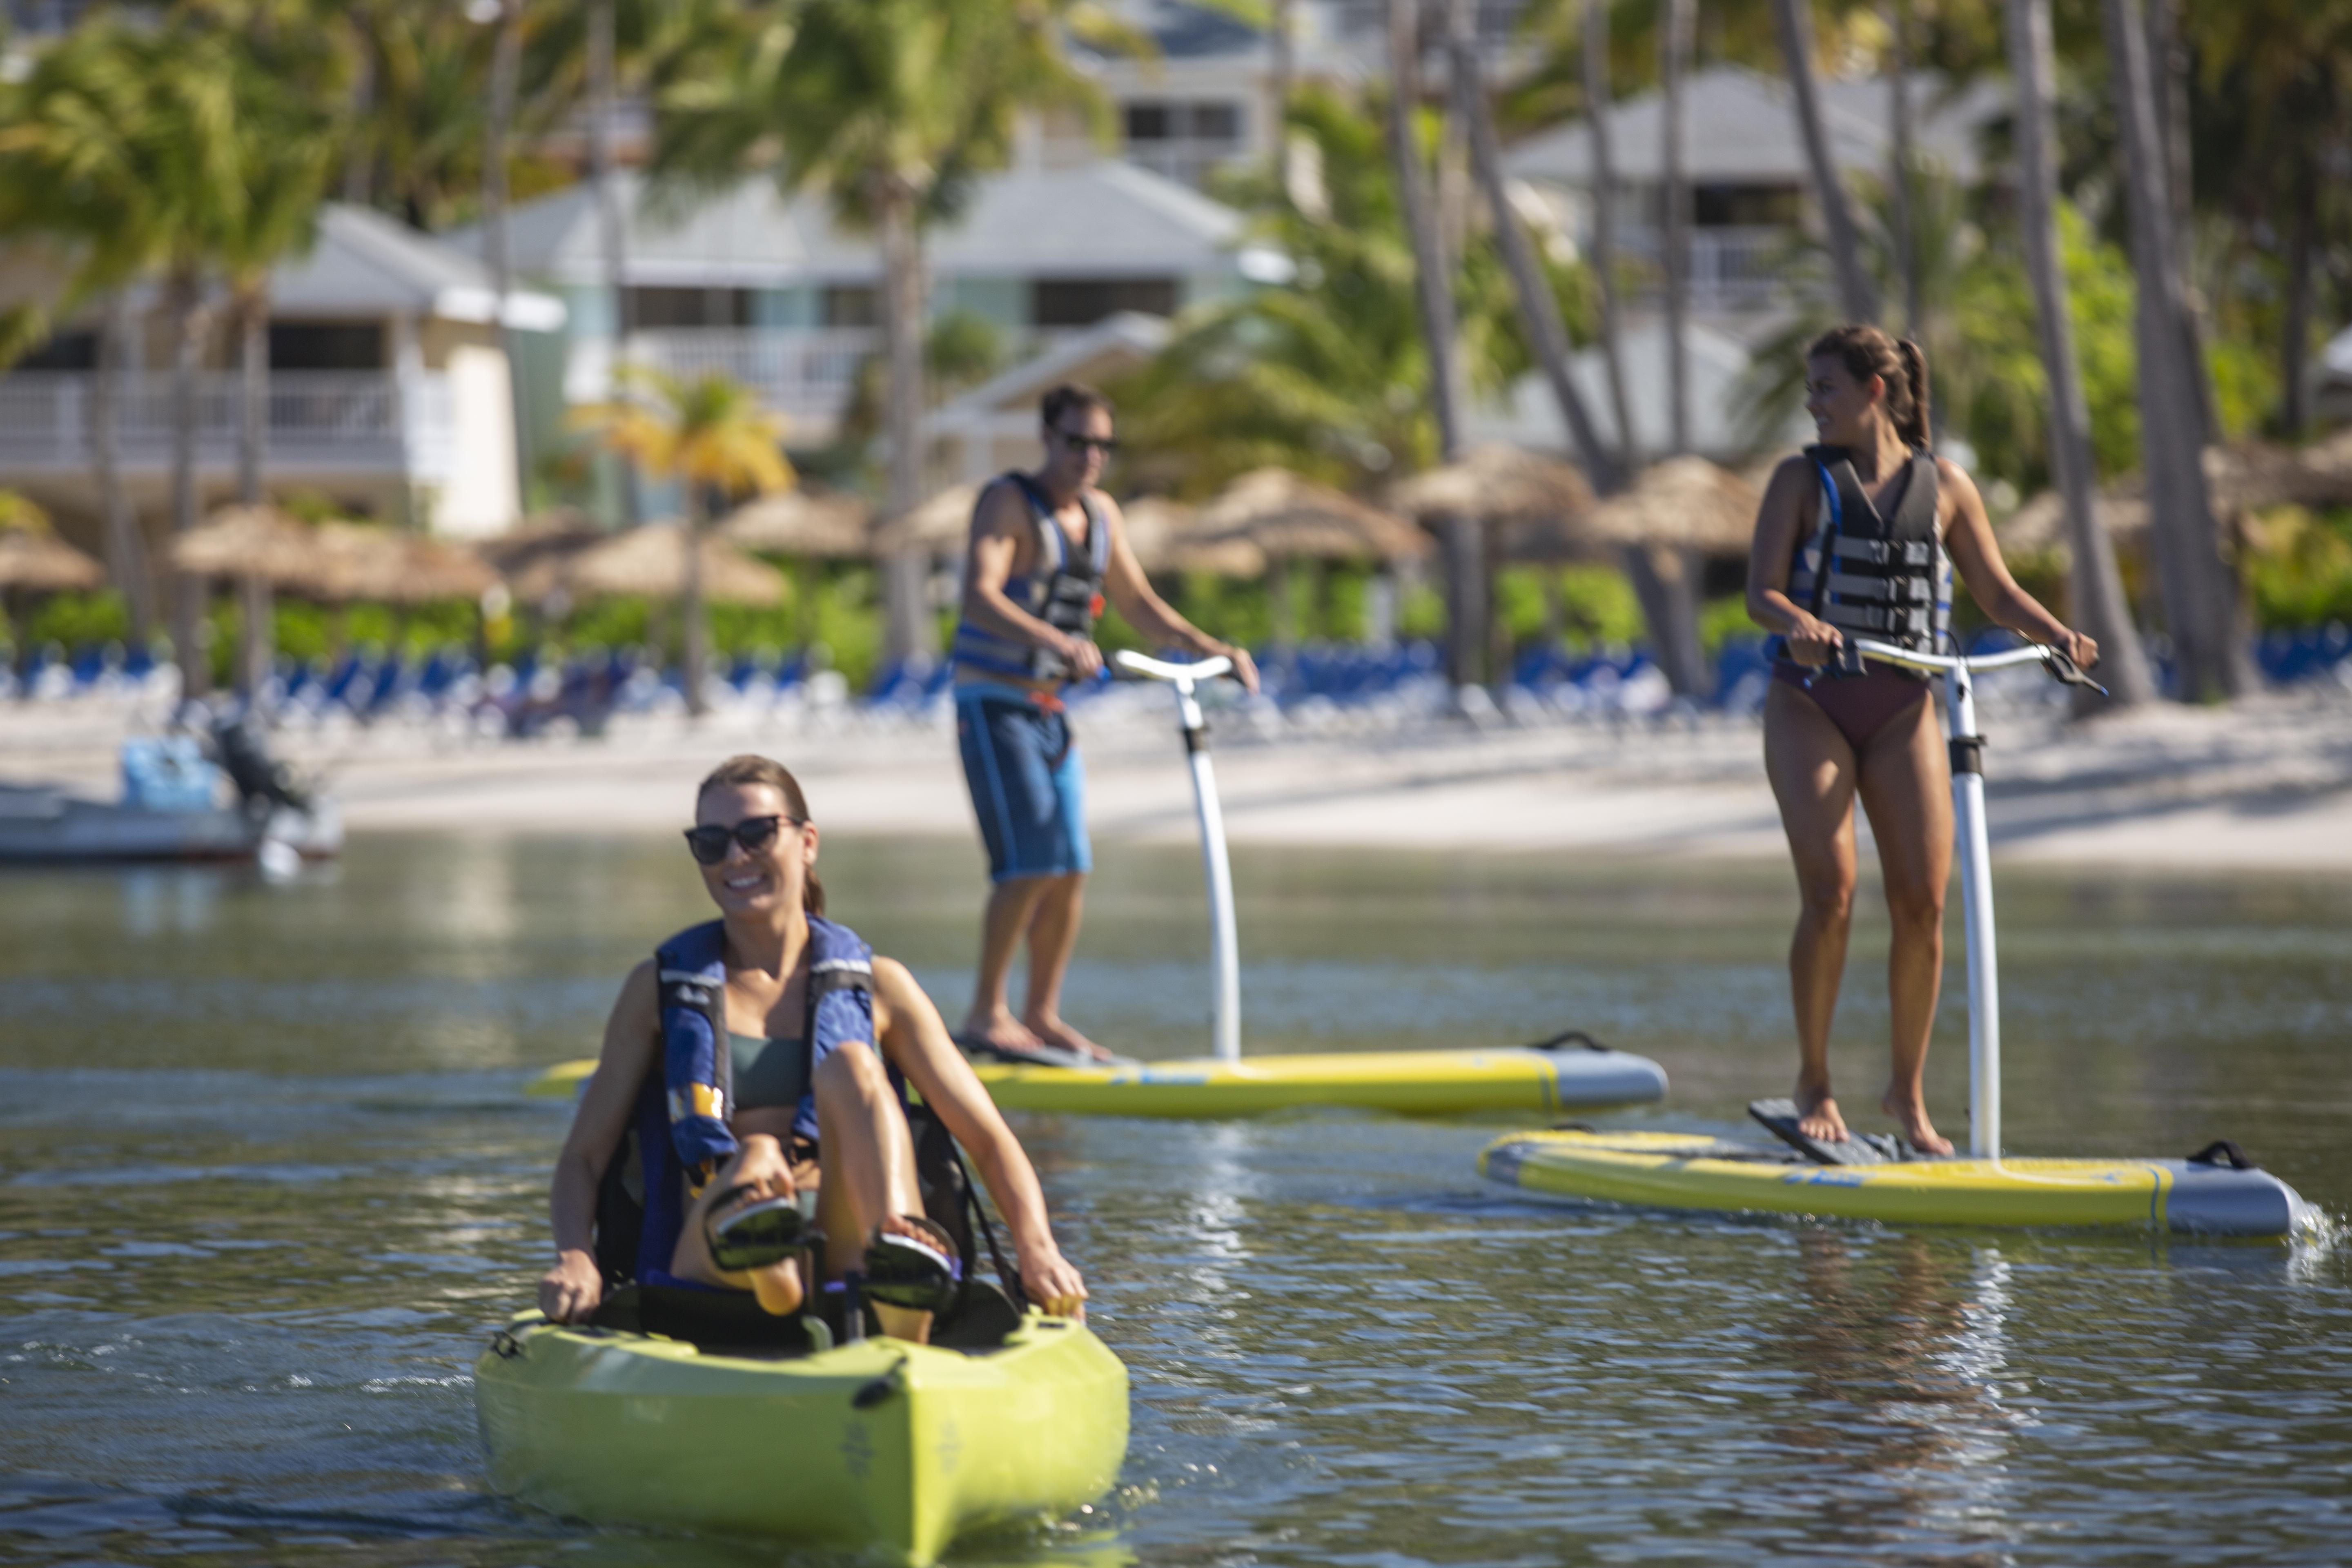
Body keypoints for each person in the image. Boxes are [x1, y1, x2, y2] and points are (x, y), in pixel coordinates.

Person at [537, 754, 1090, 1344]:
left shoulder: (884, 987)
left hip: (852, 1233)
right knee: (756, 1160)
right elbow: (583, 1158)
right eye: (711, 842)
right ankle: (769, 1265)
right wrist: (576, 1258)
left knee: (854, 1065)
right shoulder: (656, 990)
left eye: (756, 834)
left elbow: (988, 1139)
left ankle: (899, 1301)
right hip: (712, 1245)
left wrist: (1037, 1252)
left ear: (807, 843)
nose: (735, 857)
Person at [1745, 326, 2097, 1155]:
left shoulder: (1947, 488)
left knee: (1924, 905)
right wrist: (1798, 622)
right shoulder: (1800, 479)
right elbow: (1761, 591)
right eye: (1810, 387)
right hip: (1811, 703)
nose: (1811, 401)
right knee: (1832, 890)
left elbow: (2000, 593)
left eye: (1825, 387)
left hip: (1905, 709)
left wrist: (2061, 637)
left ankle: (1907, 1097)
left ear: (1874, 392)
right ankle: (1814, 1081)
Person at [949, 383, 1259, 1062]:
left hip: (1052, 713)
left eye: (1103, 446)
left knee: (1070, 868)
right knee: (1029, 862)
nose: (1090, 457)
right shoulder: (1008, 503)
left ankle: (1041, 1014)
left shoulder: (1102, 515)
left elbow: (1139, 604)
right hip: (994, 703)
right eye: (1076, 442)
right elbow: (979, 594)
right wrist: (1058, 643)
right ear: (1048, 439)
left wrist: (1213, 649)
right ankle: (985, 1014)